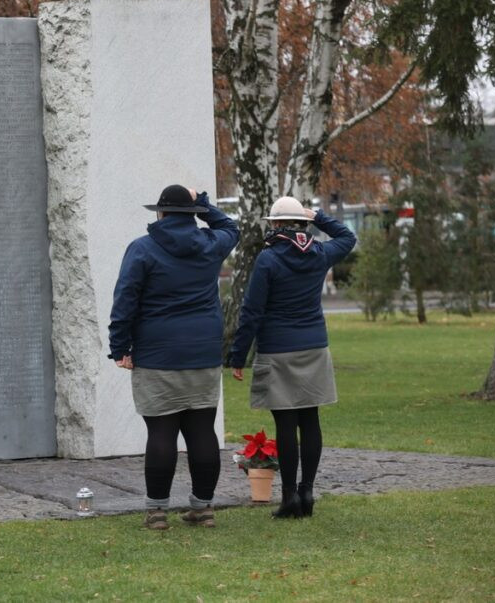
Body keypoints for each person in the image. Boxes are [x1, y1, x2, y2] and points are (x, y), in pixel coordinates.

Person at [109, 184, 239, 530]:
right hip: (203, 352)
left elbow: (125, 300)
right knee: (201, 431)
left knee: (161, 432)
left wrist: (119, 347)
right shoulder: (211, 245)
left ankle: (156, 511)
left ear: (160, 213)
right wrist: (205, 204)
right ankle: (204, 507)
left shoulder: (142, 249)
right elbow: (231, 228)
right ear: (193, 216)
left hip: (157, 354)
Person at [227, 196, 356, 519]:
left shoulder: (268, 259)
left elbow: (252, 311)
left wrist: (238, 355)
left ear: (275, 224)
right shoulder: (320, 252)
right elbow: (348, 237)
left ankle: (288, 497)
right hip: (314, 345)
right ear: (302, 223)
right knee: (310, 419)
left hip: (278, 346)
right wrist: (320, 217)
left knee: (286, 422)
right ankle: (307, 491)